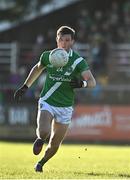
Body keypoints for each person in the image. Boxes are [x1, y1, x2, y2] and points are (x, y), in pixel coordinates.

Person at [14, 26, 96, 173]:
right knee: (44, 132)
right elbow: (37, 68)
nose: (64, 43)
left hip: (65, 106)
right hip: (48, 101)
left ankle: (41, 163)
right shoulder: (48, 56)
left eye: (67, 40)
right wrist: (25, 86)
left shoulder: (77, 61)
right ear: (56, 40)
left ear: (72, 41)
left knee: (55, 144)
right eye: (61, 40)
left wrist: (82, 83)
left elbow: (92, 82)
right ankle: (40, 139)